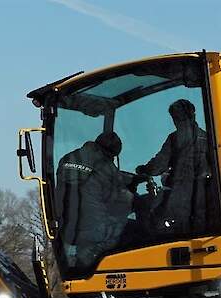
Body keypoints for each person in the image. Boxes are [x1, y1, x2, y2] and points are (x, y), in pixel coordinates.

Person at [55, 131, 137, 269]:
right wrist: (135, 197)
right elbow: (118, 198)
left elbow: (91, 181)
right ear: (112, 153)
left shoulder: (68, 159)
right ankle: (90, 259)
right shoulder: (106, 166)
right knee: (134, 229)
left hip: (66, 229)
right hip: (95, 231)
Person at [135, 98, 212, 235]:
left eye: (178, 118)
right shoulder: (208, 139)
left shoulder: (175, 139)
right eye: (175, 118)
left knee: (150, 216)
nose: (177, 122)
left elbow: (159, 164)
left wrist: (144, 169)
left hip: (180, 194)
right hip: (204, 195)